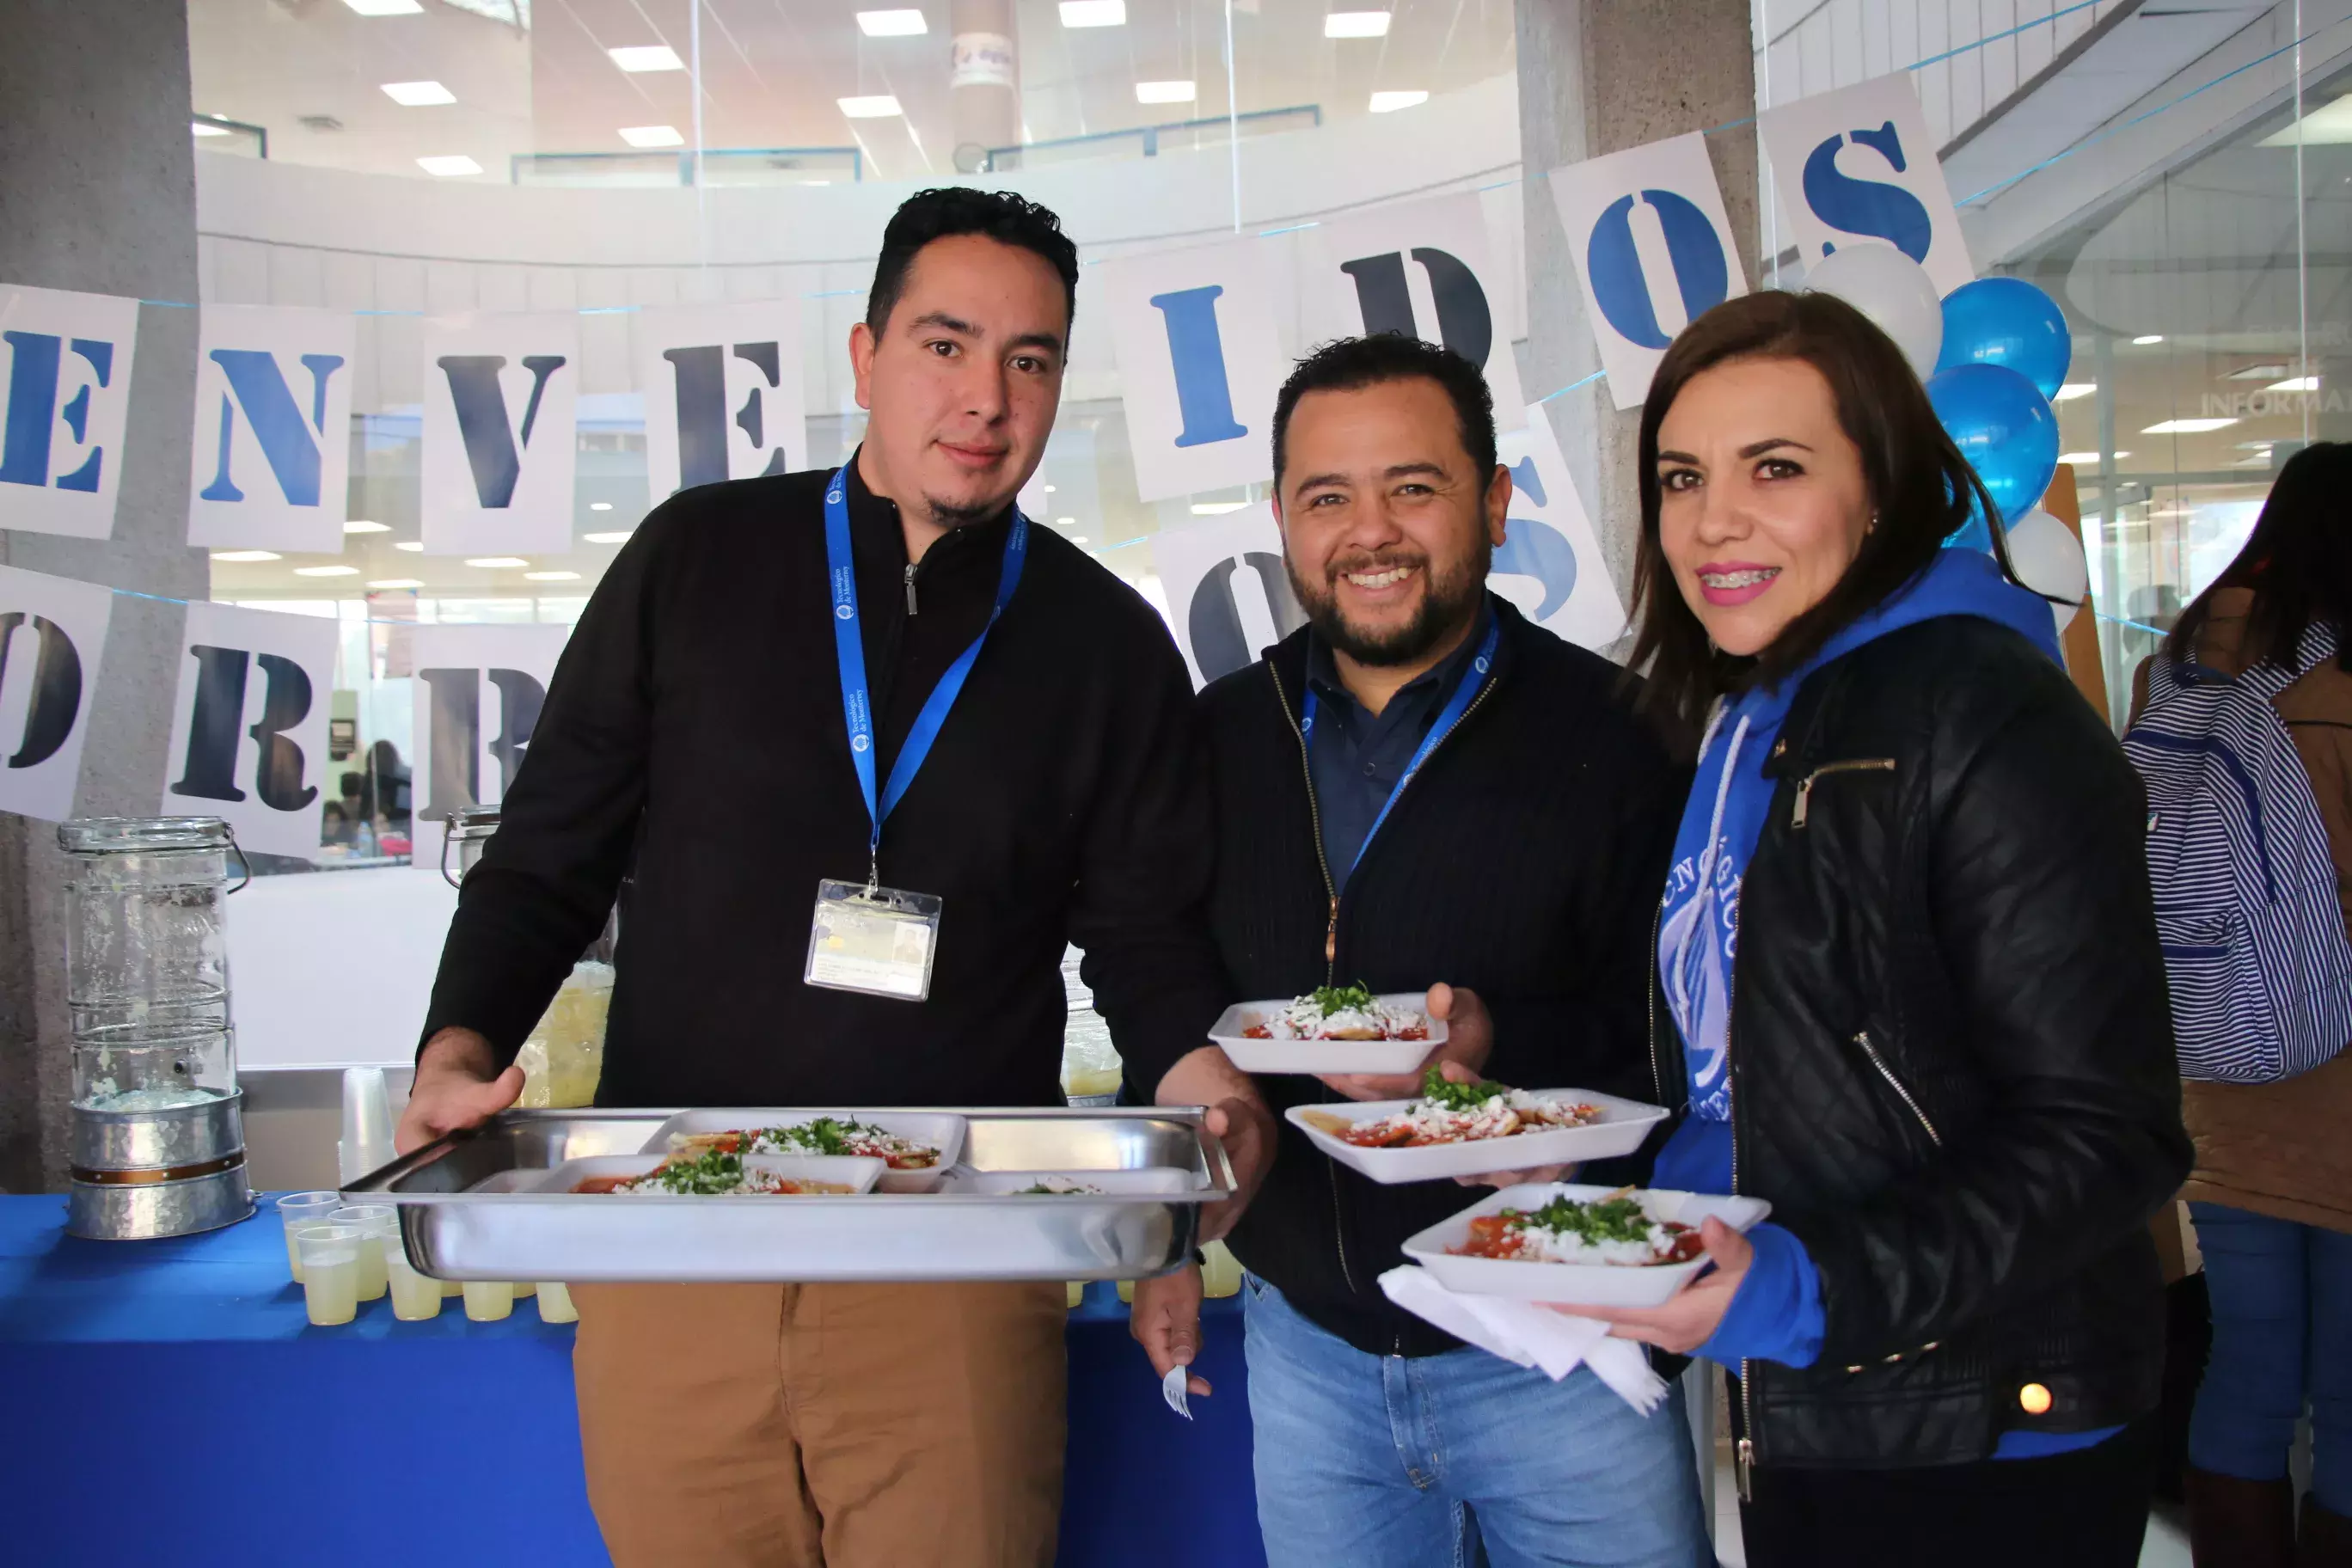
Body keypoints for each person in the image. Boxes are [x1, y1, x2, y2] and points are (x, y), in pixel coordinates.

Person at [396, 187, 1265, 1568]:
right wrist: (460, 1043)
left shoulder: (1106, 644)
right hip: (677, 1237)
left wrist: (1203, 1085)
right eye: (945, 344)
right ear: (863, 356)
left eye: (1029, 359)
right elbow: (549, 849)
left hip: (956, 1266)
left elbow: (1145, 939)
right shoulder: (695, 558)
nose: (985, 396)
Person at [1545, 290, 2191, 1568]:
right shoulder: (1759, 715)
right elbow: (1780, 1067)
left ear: (1885, 489)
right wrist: (1596, 1196)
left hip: (1988, 1431)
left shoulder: (1986, 714)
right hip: (1823, 1393)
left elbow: (2107, 1134)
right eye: (1681, 476)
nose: (1712, 519)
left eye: (1772, 469)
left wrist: (1806, 1288)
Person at [1130, 334, 1709, 1568]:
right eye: (1325, 497)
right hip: (1309, 1355)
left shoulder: (1623, 734)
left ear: (1494, 502)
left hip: (1562, 1340)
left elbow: (1682, 1028)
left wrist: (1503, 1056)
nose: (1369, 531)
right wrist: (1182, 1179)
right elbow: (1144, 950)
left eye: (1414, 486)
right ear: (1282, 520)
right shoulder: (1214, 737)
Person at [2126, 441, 2352, 1568]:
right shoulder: (2340, 695)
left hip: (2216, 1066)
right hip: (2341, 1097)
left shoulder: (2180, 682)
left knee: (2250, 1367)